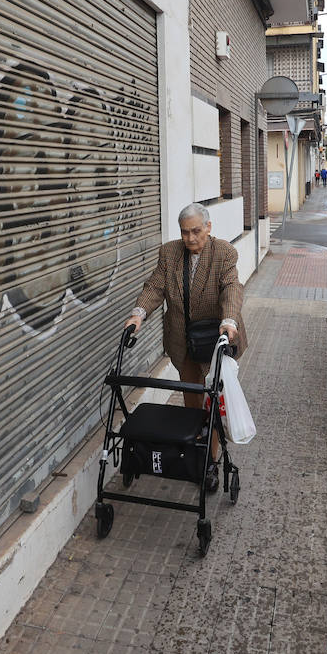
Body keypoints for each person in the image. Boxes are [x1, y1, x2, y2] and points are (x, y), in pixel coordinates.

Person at [124, 203, 245, 491]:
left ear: (208, 227)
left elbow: (232, 287)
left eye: (196, 231)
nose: (191, 238)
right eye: (185, 232)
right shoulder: (169, 253)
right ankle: (193, 449)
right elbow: (155, 286)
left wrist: (229, 320)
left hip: (218, 339)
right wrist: (138, 314)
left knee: (215, 401)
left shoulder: (224, 252)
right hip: (184, 340)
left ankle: (210, 463)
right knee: (193, 402)